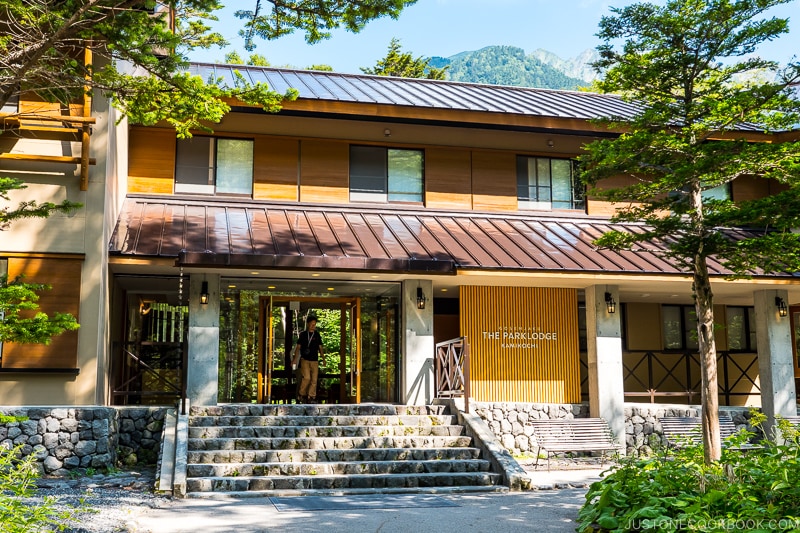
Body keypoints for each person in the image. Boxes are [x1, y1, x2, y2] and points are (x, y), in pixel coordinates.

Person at [292, 315, 325, 403]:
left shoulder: (317, 335)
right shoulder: (303, 335)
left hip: (315, 360)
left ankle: (311, 396)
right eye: (312, 324)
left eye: (314, 324)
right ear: (308, 324)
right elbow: (298, 347)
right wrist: (295, 359)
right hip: (305, 359)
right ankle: (302, 394)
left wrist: (323, 358)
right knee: (307, 378)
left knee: (314, 379)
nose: (313, 326)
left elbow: (320, 348)